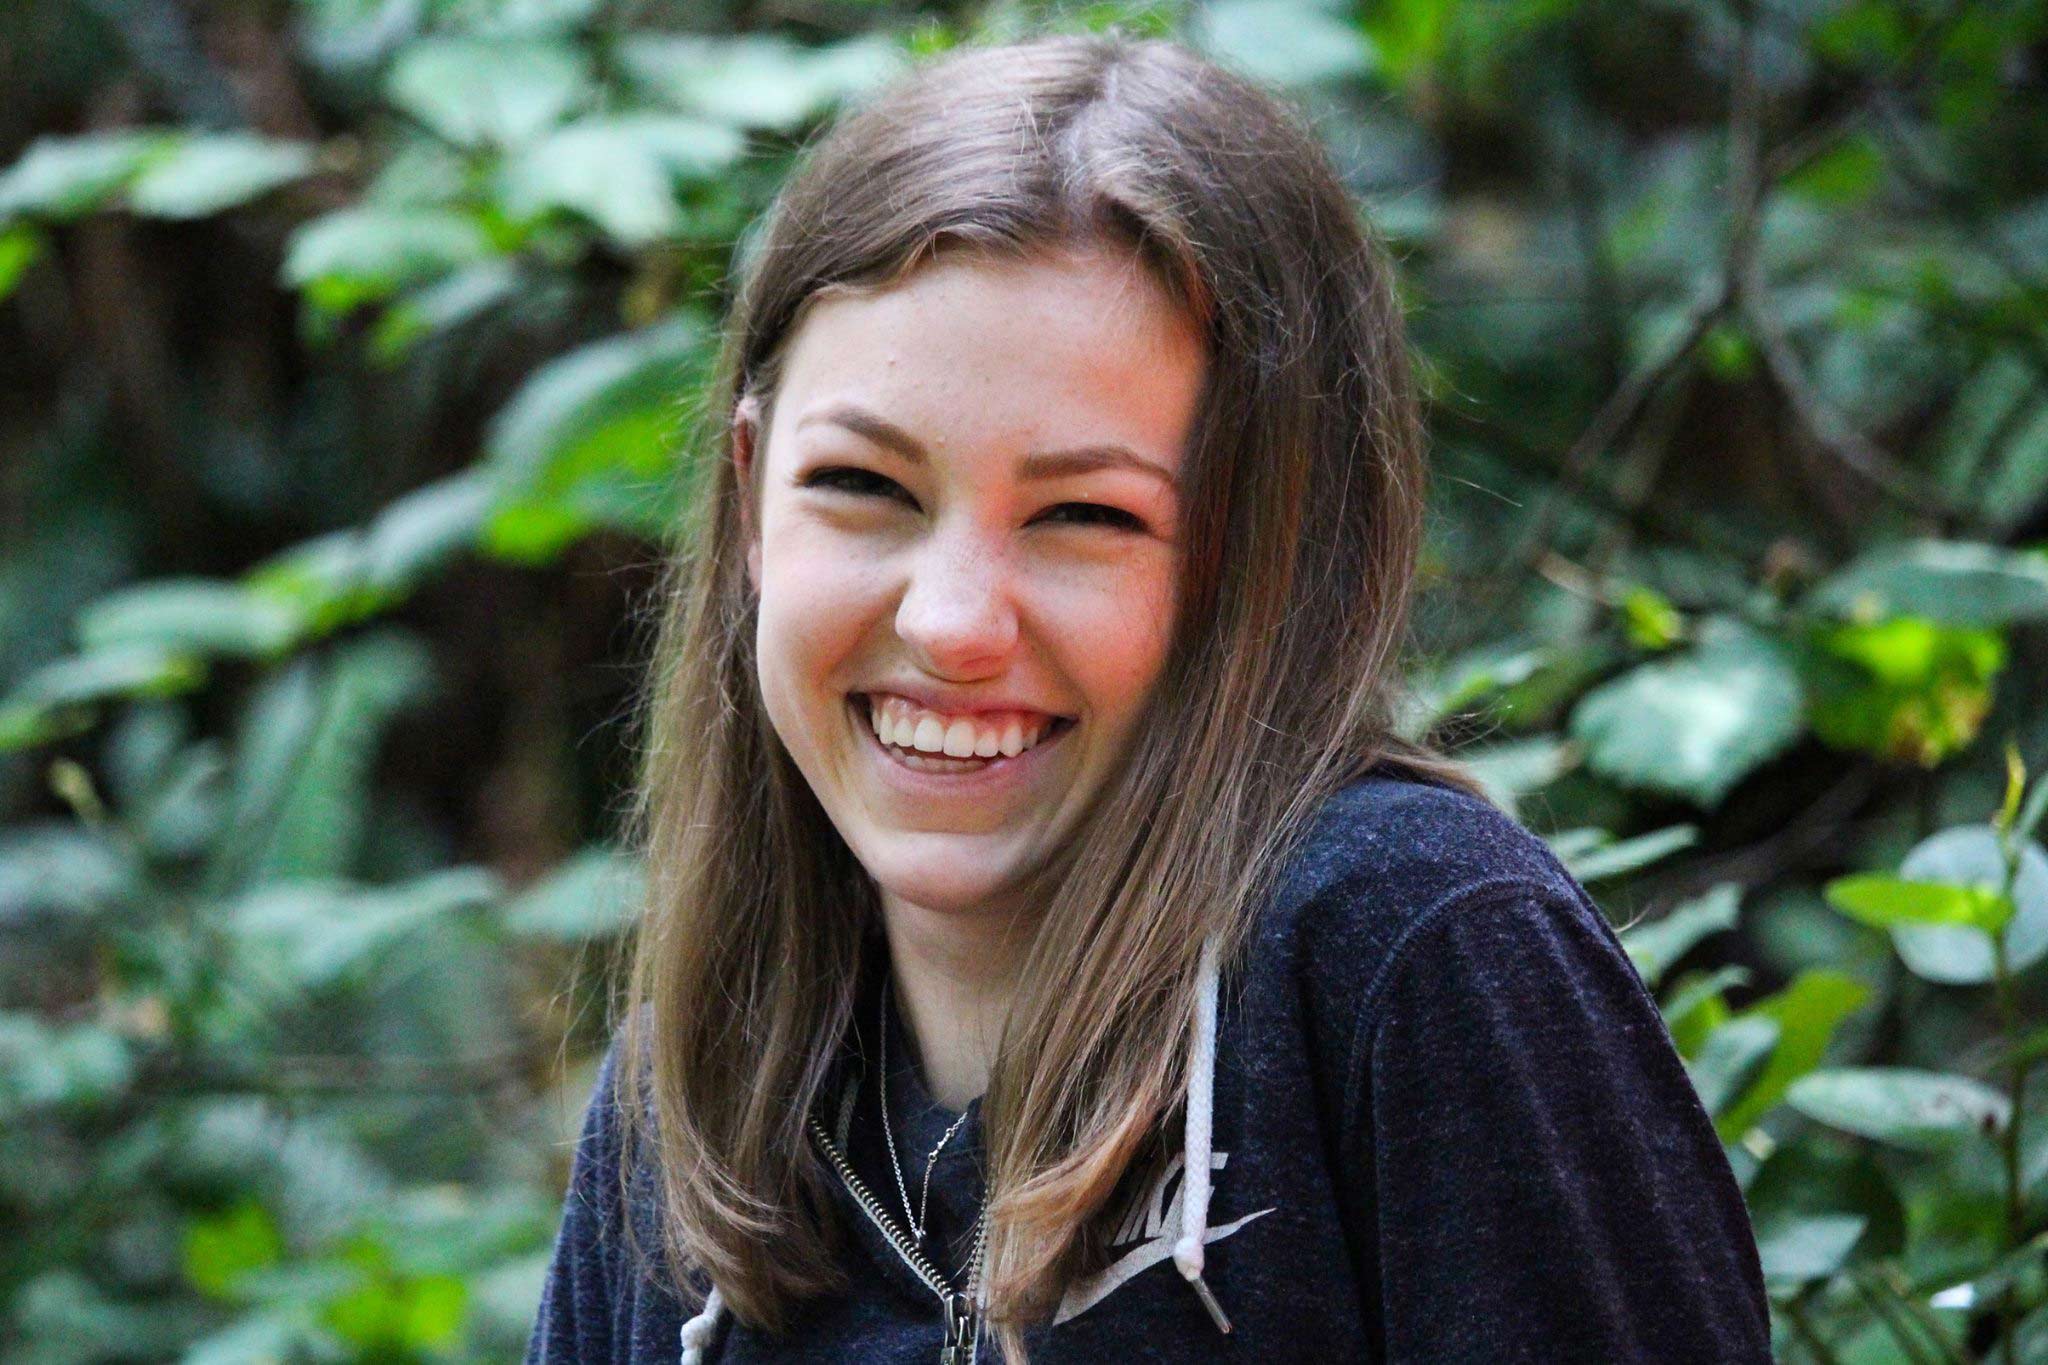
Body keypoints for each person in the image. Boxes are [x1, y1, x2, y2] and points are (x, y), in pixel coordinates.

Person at [526, 32, 1773, 1365]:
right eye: (864, 488)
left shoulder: (1408, 955)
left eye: (1083, 514)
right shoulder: (676, 1119)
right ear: (752, 495)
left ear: (1270, 555)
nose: (951, 622)